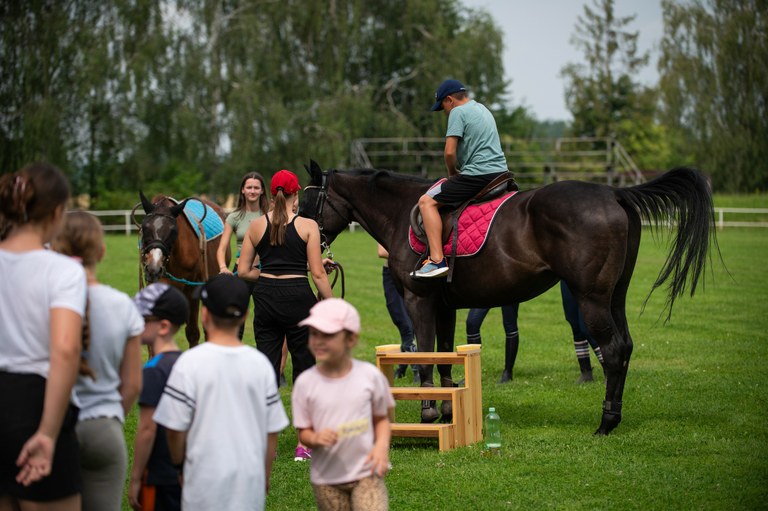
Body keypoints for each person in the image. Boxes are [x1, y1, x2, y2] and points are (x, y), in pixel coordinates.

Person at [153, 274, 289, 511]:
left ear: (204, 315)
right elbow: (271, 432)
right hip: (249, 485)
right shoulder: (261, 366)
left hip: (201, 484)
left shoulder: (188, 364)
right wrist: (264, 475)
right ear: (246, 315)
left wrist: (179, 466)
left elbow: (174, 429)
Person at [0, 163, 86, 511]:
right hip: (35, 402)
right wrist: (48, 434)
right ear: (56, 212)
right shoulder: (63, 270)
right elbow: (65, 349)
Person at [50, 211, 144, 511]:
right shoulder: (123, 305)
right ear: (102, 252)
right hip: (104, 430)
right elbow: (132, 385)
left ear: (54, 249)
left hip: (56, 429)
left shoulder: (43, 302)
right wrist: (111, 417)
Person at [238, 169, 333, 462]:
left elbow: (243, 271)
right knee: (305, 370)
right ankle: (304, 445)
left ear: (272, 193)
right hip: (298, 299)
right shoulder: (308, 226)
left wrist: (268, 273)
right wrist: (332, 304)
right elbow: (317, 273)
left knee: (266, 370)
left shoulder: (255, 225)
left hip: (265, 297)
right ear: (296, 194)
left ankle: (262, 441)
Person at [292, 298, 395, 511]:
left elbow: (382, 419)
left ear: (351, 339)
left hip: (367, 473)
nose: (318, 341)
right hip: (327, 479)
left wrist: (381, 448)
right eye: (314, 334)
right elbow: (304, 432)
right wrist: (315, 438)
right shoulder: (305, 384)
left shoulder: (370, 376)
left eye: (328, 335)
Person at [411, 79, 510, 278]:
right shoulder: (482, 108)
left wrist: (452, 173)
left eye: (443, 107)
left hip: (478, 174)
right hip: (501, 173)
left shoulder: (458, 112)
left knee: (426, 202)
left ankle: (437, 260)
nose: (445, 112)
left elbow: (449, 153)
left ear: (450, 100)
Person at [128, 283, 190, 511]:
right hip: (187, 470)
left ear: (162, 326)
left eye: (142, 320)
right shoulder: (187, 362)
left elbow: (147, 429)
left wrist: (135, 477)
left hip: (160, 475)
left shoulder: (153, 370)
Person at [216, 171, 270, 340]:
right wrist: (223, 267)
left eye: (256, 187)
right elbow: (221, 248)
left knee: (266, 320)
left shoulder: (269, 215)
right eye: (249, 187)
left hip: (265, 272)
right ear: (243, 190)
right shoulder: (234, 217)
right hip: (240, 272)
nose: (252, 191)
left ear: (262, 191)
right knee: (236, 319)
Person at [377, 244, 419, 383]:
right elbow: (382, 251)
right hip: (391, 274)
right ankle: (411, 365)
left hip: (411, 274)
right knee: (401, 319)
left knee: (410, 324)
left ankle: (414, 368)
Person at [560, 281, 604, 383]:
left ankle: (609, 370)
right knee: (574, 323)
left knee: (586, 328)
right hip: (565, 276)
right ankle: (586, 373)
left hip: (584, 274)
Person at [465, 305, 520, 383]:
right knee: (472, 323)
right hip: (484, 292)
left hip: (507, 293)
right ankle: (474, 374)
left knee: (509, 324)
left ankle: (508, 372)